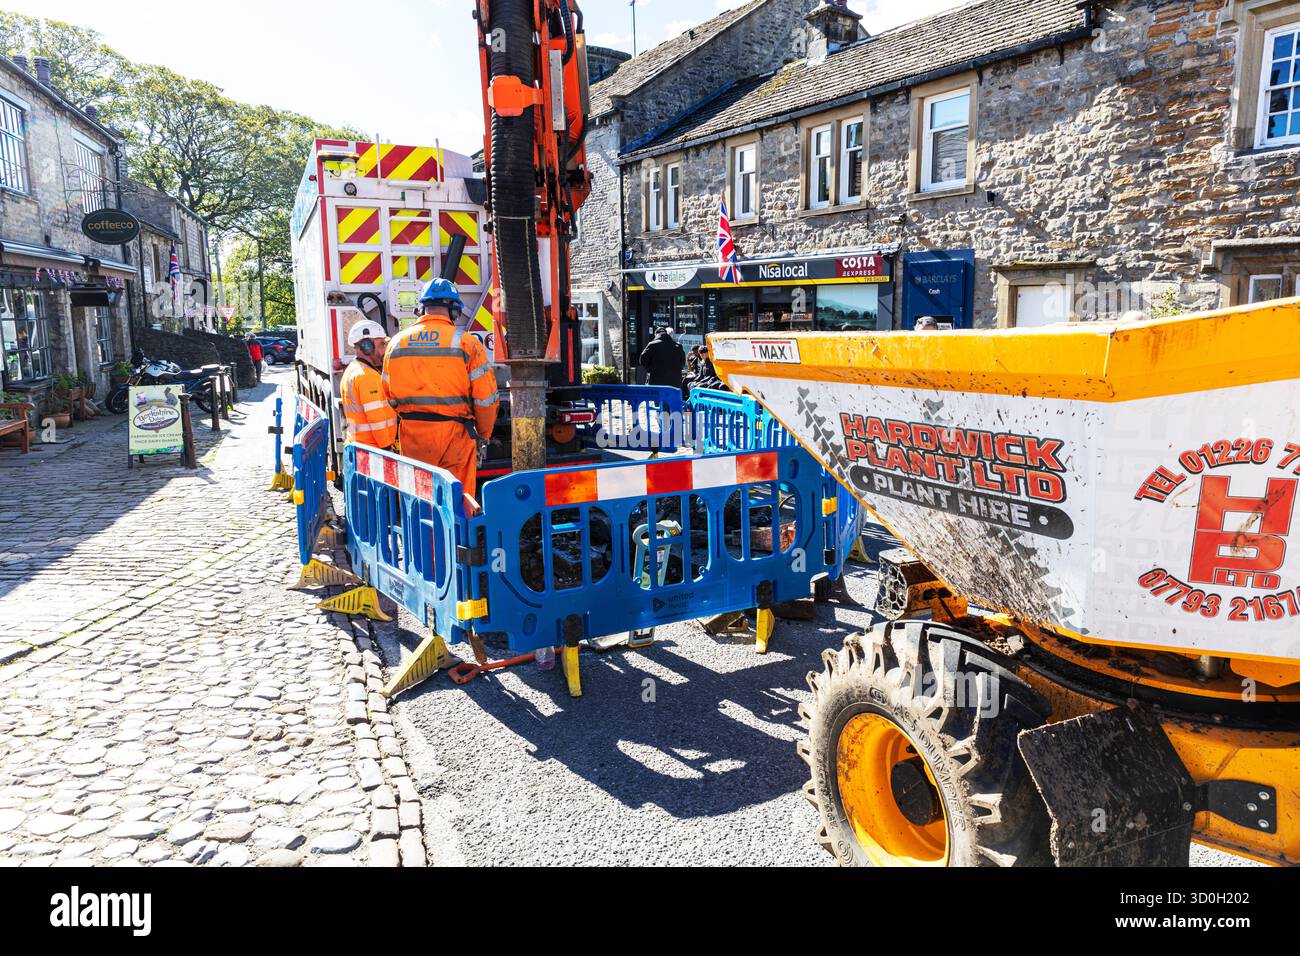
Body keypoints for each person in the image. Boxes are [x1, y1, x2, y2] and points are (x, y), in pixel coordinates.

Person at [383, 278, 499, 499]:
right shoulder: (467, 343)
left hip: (413, 436)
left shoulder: (396, 343)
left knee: (418, 498)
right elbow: (486, 399)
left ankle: (420, 534)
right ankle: (453, 535)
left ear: (421, 309)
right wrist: (483, 435)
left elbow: (388, 394)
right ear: (454, 311)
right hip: (455, 437)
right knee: (456, 501)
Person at [340, 320, 397, 450]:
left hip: (360, 446)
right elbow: (376, 417)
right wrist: (387, 448)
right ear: (367, 346)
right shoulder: (366, 376)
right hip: (373, 450)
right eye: (382, 344)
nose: (385, 350)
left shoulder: (352, 370)